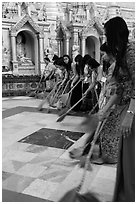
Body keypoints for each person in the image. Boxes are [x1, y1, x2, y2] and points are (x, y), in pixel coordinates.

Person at [98, 17, 135, 202]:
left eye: (106, 35)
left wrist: (130, 114)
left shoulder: (131, 52)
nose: (105, 39)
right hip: (125, 106)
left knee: (131, 156)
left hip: (133, 110)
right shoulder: (121, 56)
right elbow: (120, 88)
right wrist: (105, 108)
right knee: (126, 156)